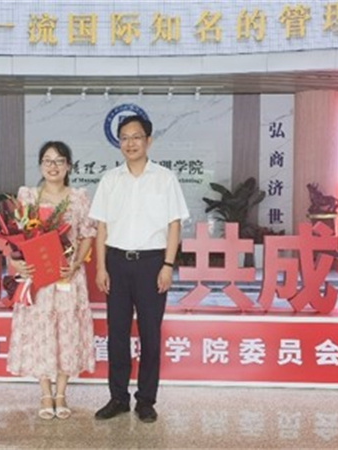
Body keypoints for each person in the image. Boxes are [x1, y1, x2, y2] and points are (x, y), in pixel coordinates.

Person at [89, 115, 189, 423]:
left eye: (136, 137)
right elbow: (101, 228)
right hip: (117, 263)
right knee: (117, 334)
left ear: (148, 141)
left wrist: (168, 265)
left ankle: (146, 400)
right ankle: (118, 398)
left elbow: (174, 225)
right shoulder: (110, 180)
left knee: (150, 335)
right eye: (124, 138)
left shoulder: (165, 179)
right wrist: (101, 267)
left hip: (152, 264)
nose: (130, 143)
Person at [7, 141, 97, 420]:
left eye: (59, 161)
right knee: (42, 331)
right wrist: (16, 261)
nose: (53, 166)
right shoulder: (28, 196)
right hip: (39, 279)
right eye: (47, 160)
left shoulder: (79, 197)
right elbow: (16, 237)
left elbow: (87, 234)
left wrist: (76, 264)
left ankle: (61, 394)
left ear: (68, 166)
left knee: (66, 332)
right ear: (40, 166)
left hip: (67, 277)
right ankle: (45, 393)